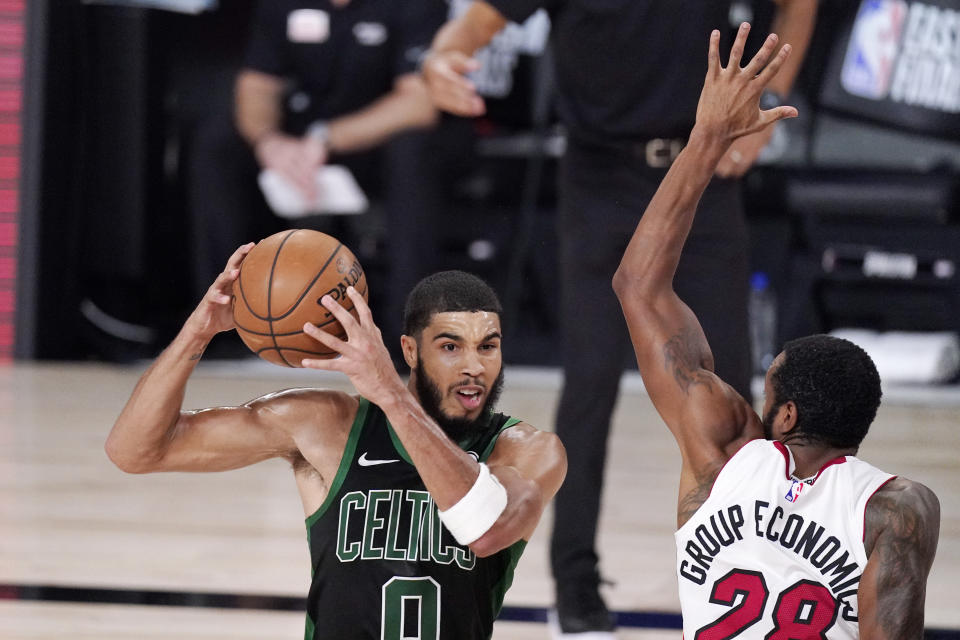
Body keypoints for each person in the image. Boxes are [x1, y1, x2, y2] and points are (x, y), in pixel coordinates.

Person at [422, 1, 818, 635]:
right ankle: (575, 585)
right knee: (590, 381)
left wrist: (767, 98)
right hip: (600, 177)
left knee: (735, 390)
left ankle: (756, 576)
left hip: (705, 166)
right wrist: (443, 56)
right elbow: (476, 23)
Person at [613, 24, 940, 639]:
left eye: (766, 389)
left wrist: (706, 139)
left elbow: (639, 286)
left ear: (785, 416)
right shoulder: (897, 509)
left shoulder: (724, 457)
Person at [105, 250, 567, 639]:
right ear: (410, 351)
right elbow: (137, 450)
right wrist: (199, 329)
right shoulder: (328, 424)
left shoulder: (527, 449)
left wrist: (389, 393)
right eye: (450, 347)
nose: (474, 366)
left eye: (488, 346)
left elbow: (486, 530)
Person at [188, 0, 445, 353]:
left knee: (413, 153)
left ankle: (405, 333)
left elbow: (419, 102)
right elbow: (257, 86)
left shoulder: (415, 7)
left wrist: (325, 139)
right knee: (217, 144)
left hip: (377, 136)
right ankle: (222, 324)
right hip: (298, 134)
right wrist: (269, 142)